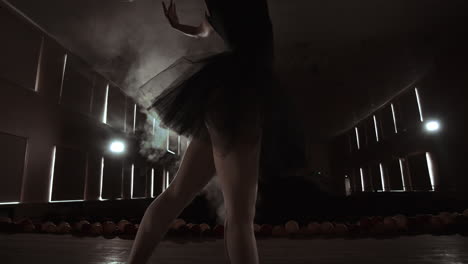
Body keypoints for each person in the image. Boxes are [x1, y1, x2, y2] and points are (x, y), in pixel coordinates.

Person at [127, 0, 274, 263]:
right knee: (240, 216)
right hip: (240, 93)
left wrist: (178, 24)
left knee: (177, 194)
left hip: (225, 93)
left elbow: (205, 30)